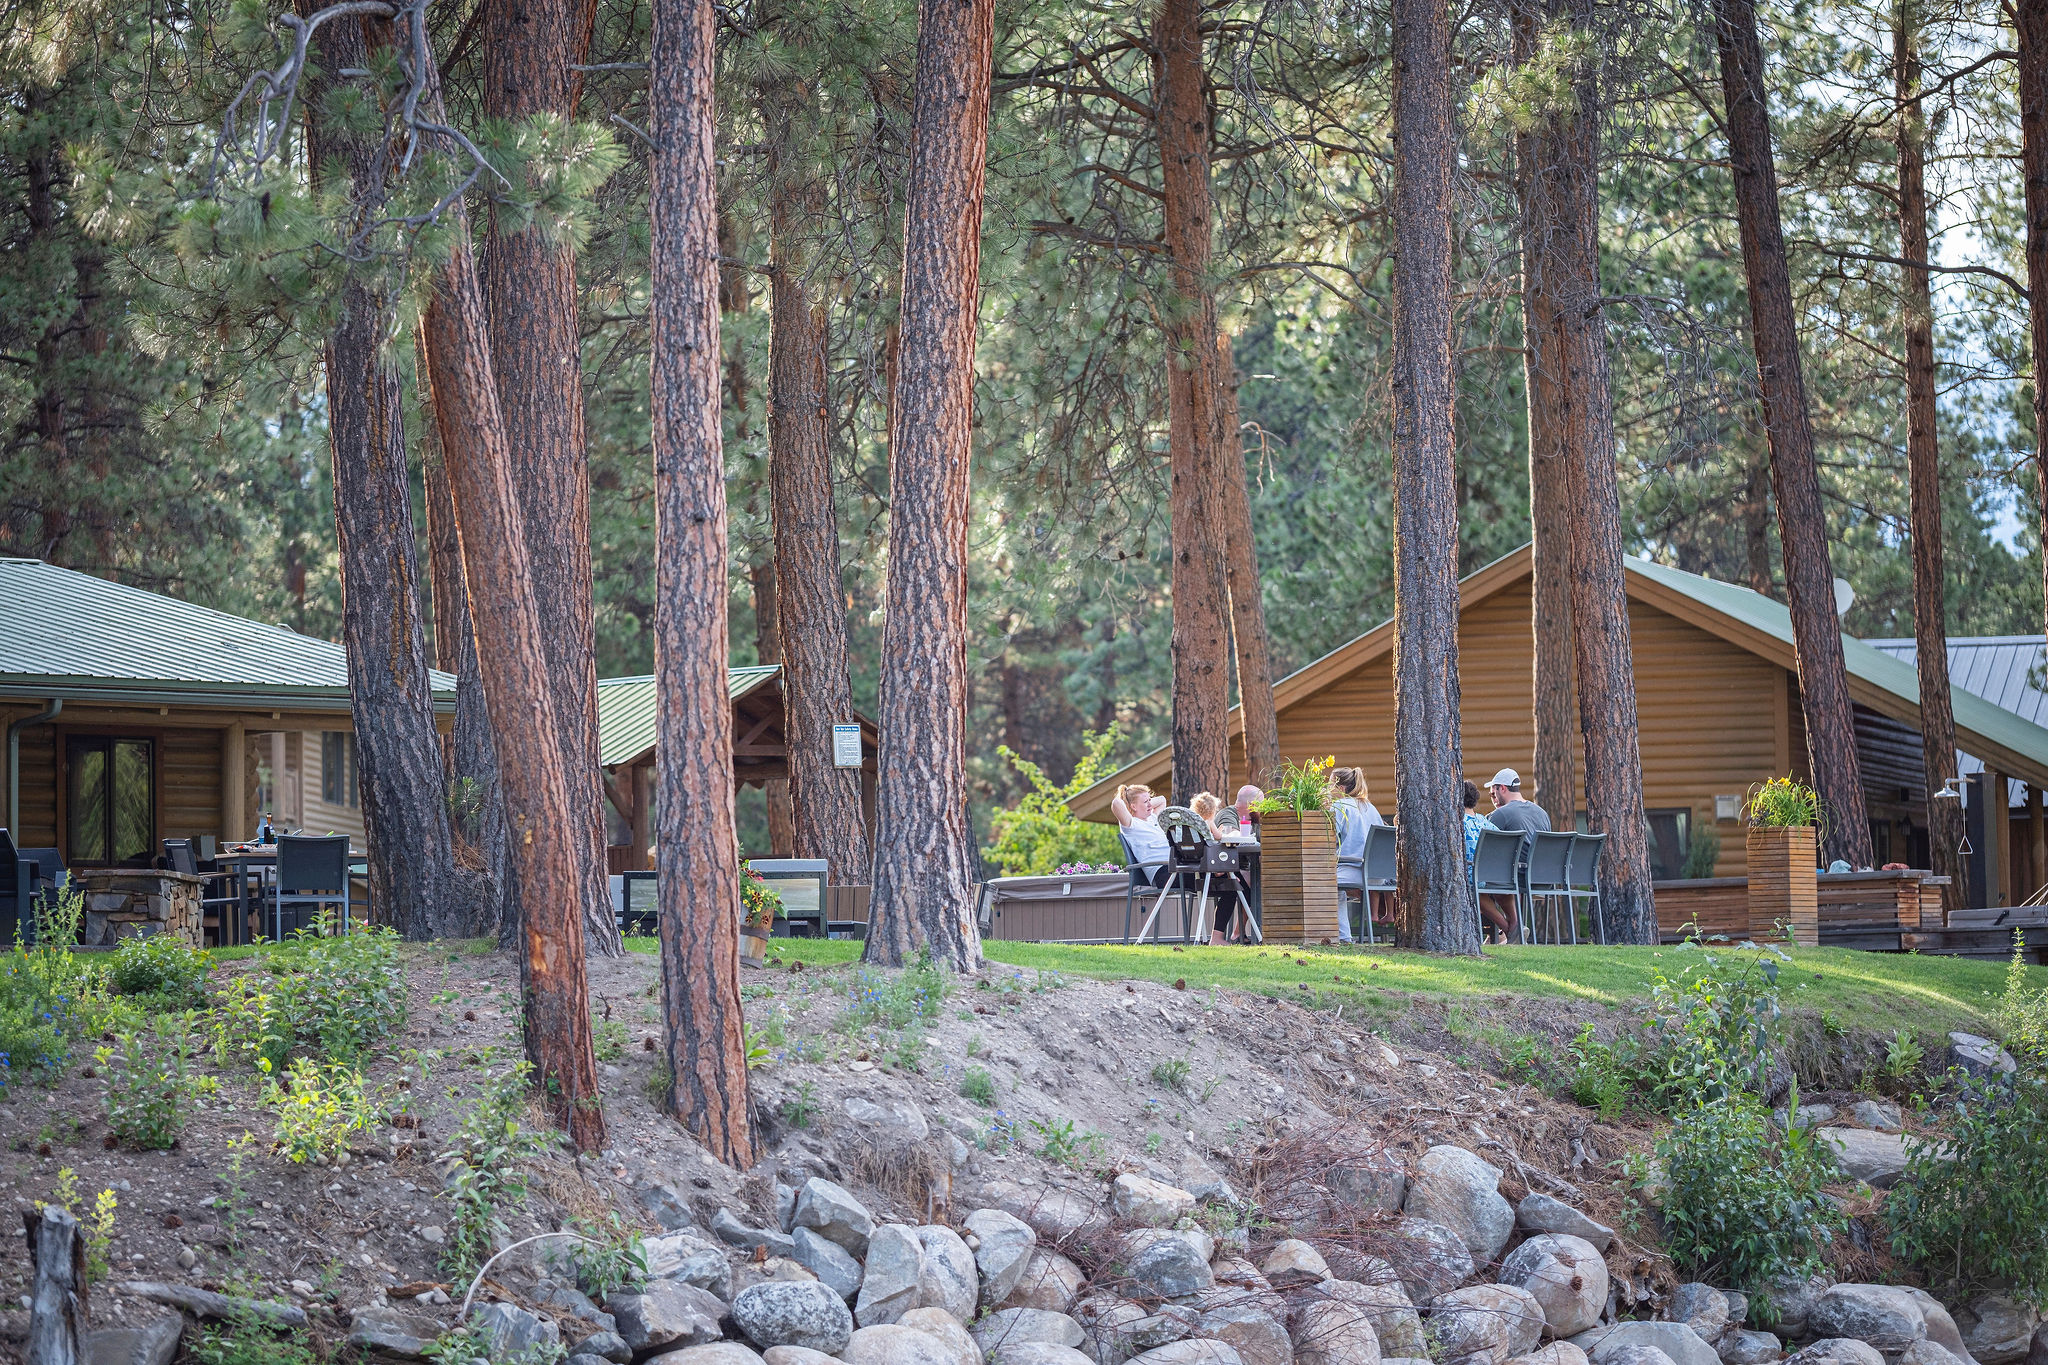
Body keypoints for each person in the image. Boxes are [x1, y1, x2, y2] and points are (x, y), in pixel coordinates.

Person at [1330, 767, 1386, 943]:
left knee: (1324, 882)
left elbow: (1329, 838)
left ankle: (1343, 937)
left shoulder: (1339, 806)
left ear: (1340, 788)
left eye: (1329, 784)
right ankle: (1344, 935)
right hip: (1377, 875)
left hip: (1355, 870)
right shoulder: (1370, 807)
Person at [1189, 792, 1253, 945]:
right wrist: (1222, 830)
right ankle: (1220, 938)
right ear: (1212, 811)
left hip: (1194, 871)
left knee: (1236, 880)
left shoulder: (1191, 825)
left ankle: (1228, 935)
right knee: (1239, 886)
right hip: (1211, 867)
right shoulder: (1209, 822)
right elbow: (1219, 837)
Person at [1463, 779, 1517, 943]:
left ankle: (1507, 929)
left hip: (1473, 874)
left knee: (1473, 889)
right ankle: (1515, 925)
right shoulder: (1485, 822)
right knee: (1496, 888)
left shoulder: (1457, 823)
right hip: (1498, 874)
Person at [1112, 783, 1173, 888]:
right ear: (1133, 806)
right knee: (1205, 878)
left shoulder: (1153, 818)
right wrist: (1128, 799)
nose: (1150, 805)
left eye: (1150, 800)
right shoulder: (1131, 825)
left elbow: (1162, 800)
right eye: (1146, 802)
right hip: (1162, 873)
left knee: (1208, 872)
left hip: (1176, 867)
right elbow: (1116, 803)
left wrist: (1145, 802)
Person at [1484, 768, 1551, 836]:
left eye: (1493, 794)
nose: (1493, 799)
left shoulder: (1500, 814)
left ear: (1502, 788)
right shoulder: (1543, 814)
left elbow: (1485, 844)